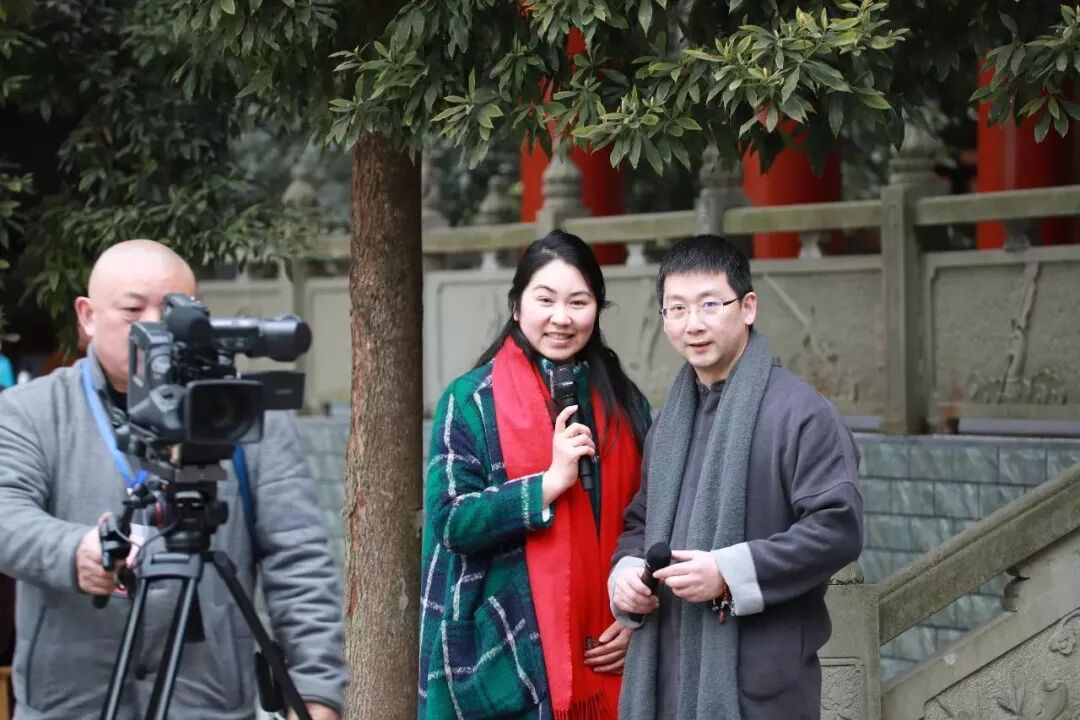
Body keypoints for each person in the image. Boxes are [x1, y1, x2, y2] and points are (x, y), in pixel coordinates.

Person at [0, 240, 346, 720]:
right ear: (88, 316)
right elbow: (6, 513)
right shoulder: (30, 411)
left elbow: (298, 559)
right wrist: (73, 551)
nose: (155, 328)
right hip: (71, 702)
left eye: (173, 311)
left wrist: (316, 690)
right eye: (132, 310)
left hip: (208, 702)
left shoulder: (241, 414)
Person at [609, 235, 863, 719]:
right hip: (665, 674)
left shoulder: (801, 413)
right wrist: (625, 574)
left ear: (748, 307)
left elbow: (838, 529)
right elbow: (641, 522)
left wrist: (728, 573)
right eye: (676, 309)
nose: (693, 324)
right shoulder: (668, 423)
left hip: (759, 682)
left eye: (710, 304)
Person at [419, 230, 651, 719]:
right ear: (516, 305)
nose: (561, 318)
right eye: (545, 300)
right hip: (506, 648)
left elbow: (655, 518)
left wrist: (637, 615)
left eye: (578, 302)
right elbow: (450, 520)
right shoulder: (470, 400)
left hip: (612, 649)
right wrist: (546, 484)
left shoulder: (626, 404)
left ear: (597, 310)